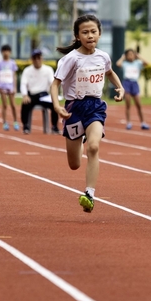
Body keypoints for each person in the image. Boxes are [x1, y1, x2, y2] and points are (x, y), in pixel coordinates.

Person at [50, 14, 124, 213]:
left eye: (93, 31)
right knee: (74, 164)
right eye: (85, 32)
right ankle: (81, 137)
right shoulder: (71, 59)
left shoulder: (103, 57)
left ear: (99, 34)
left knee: (94, 147)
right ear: (77, 36)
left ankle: (89, 194)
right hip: (74, 108)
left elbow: (110, 72)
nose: (90, 35)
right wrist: (57, 106)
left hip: (95, 107)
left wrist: (120, 87)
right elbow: (55, 85)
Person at [20, 49, 59, 134]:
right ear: (32, 59)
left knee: (55, 104)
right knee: (25, 103)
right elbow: (23, 84)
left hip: (44, 95)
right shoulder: (27, 70)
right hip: (32, 95)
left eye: (38, 58)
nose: (37, 60)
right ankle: (26, 126)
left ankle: (54, 126)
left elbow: (52, 84)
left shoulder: (48, 70)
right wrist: (25, 95)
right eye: (35, 58)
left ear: (42, 58)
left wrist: (54, 96)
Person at [116, 49, 150, 130]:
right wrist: (123, 57)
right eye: (128, 54)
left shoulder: (137, 63)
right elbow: (118, 64)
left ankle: (143, 122)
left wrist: (139, 56)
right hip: (127, 83)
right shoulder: (125, 63)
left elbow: (147, 63)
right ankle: (128, 122)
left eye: (132, 54)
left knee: (139, 104)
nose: (130, 56)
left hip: (134, 83)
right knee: (128, 104)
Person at [0, 44, 20, 131]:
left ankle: (15, 121)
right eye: (4, 51)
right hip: (2, 86)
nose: (6, 53)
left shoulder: (12, 63)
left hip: (10, 86)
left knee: (13, 105)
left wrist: (15, 87)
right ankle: (5, 122)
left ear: (10, 52)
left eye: (7, 51)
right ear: (2, 52)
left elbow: (14, 75)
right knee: (4, 105)